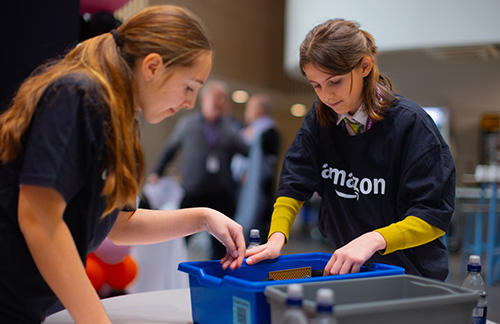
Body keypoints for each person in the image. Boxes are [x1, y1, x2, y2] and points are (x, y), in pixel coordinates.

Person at [0, 6, 246, 324]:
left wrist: (203, 218)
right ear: (153, 67)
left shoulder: (121, 119)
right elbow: (38, 217)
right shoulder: (80, 95)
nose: (190, 103)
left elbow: (120, 224)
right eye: (189, 87)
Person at [245, 18, 455, 281]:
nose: (326, 96)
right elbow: (294, 182)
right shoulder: (320, 117)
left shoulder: (411, 125)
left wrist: (375, 239)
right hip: (350, 273)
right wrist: (277, 236)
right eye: (316, 85)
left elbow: (433, 215)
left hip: (410, 276)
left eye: (335, 82)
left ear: (365, 66)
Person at [147, 79, 249, 260]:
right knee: (179, 241)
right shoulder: (188, 124)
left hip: (221, 195)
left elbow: (247, 152)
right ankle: (175, 275)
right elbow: (169, 149)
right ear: (204, 99)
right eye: (217, 97)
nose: (220, 102)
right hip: (193, 193)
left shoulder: (231, 128)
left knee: (223, 246)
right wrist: (157, 172)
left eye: (223, 98)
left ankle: (220, 281)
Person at [232, 93, 280, 237]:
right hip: (244, 187)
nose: (246, 111)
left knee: (255, 228)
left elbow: (266, 167)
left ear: (259, 110)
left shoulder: (268, 133)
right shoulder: (249, 131)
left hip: (258, 190)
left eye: (249, 107)